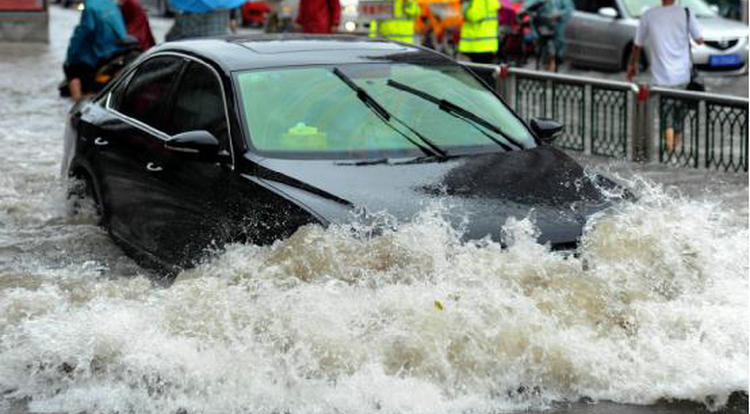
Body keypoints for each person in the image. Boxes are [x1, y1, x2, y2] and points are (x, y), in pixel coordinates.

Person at [627, 0, 704, 153]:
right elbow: (699, 40)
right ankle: (675, 152)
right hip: (683, 76)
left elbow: (637, 45)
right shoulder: (685, 12)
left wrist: (632, 66)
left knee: (666, 118)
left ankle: (668, 154)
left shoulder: (648, 15)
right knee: (679, 117)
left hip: (660, 78)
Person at [64, 0, 127, 101]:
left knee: (72, 71)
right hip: (119, 49)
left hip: (103, 53)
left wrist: (71, 55)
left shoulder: (90, 6)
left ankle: (77, 106)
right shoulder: (110, 4)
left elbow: (85, 30)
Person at [524, 0, 573, 71]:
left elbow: (568, 11)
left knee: (556, 48)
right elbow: (528, 7)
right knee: (540, 46)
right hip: (540, 25)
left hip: (554, 27)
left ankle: (554, 63)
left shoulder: (563, 2)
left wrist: (559, 15)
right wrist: (532, 13)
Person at [166, 9, 232, 41]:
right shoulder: (223, 5)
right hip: (218, 44)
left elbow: (171, 37)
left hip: (195, 48)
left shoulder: (190, 8)